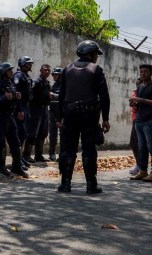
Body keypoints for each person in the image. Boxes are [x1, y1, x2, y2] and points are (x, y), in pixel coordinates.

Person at [57, 40, 110, 194]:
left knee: (68, 149)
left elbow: (61, 96)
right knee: (89, 149)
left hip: (69, 114)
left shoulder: (66, 69)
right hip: (89, 115)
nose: (96, 57)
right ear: (90, 53)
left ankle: (65, 184)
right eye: (96, 54)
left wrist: (60, 117)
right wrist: (105, 118)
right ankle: (91, 185)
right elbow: (104, 96)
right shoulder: (96, 70)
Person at [0, 62, 28, 178]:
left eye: (11, 70)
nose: (11, 72)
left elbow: (15, 97)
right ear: (4, 72)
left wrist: (19, 109)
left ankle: (17, 166)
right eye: (9, 70)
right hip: (0, 116)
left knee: (15, 142)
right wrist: (4, 97)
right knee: (0, 142)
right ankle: (1, 166)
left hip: (10, 116)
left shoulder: (10, 83)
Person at [129, 64, 152, 182]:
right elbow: (138, 103)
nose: (143, 74)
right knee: (141, 147)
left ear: (151, 73)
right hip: (139, 120)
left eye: (145, 72)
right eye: (141, 72)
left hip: (150, 120)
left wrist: (142, 100)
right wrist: (134, 103)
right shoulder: (139, 88)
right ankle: (143, 171)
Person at [27, 64, 52, 163]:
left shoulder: (47, 83)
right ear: (41, 70)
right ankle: (26, 155)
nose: (47, 72)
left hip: (45, 109)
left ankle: (39, 155)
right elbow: (30, 95)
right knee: (32, 132)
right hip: (36, 110)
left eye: (48, 71)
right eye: (45, 70)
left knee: (43, 132)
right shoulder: (36, 82)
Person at [14, 56, 34, 168]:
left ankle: (20, 158)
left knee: (24, 133)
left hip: (26, 106)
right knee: (20, 134)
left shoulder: (26, 76)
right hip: (20, 107)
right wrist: (19, 110)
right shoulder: (18, 76)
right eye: (28, 63)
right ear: (23, 64)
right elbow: (17, 95)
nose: (30, 65)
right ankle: (17, 160)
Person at [48, 67, 62, 161]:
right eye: (53, 75)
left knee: (64, 134)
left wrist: (54, 96)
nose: (54, 76)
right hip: (53, 111)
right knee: (52, 134)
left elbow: (65, 96)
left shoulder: (65, 85)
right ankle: (52, 153)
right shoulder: (53, 85)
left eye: (56, 74)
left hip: (62, 112)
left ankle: (63, 153)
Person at [128, 77, 142, 176]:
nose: (137, 87)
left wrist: (137, 102)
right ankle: (139, 165)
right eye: (136, 84)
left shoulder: (147, 93)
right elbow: (132, 102)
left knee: (139, 144)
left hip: (143, 119)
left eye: (139, 85)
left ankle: (141, 166)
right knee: (133, 143)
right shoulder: (135, 91)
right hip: (135, 119)